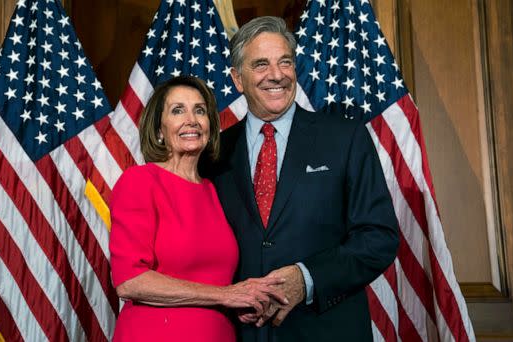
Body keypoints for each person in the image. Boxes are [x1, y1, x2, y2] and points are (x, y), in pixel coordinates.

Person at [207, 16, 400, 341]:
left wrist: (307, 278)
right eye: (261, 65)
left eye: (285, 62)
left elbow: (378, 237)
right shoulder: (216, 153)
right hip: (243, 333)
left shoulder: (345, 138)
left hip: (326, 329)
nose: (277, 75)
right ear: (238, 79)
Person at [109, 76, 288, 342]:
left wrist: (242, 302)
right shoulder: (141, 181)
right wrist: (226, 295)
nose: (191, 119)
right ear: (159, 129)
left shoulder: (214, 191)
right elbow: (130, 281)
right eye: (177, 110)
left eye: (200, 110)